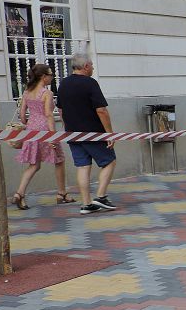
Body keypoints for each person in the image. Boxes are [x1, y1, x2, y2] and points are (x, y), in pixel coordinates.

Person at [56, 54, 117, 215]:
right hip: (93, 133)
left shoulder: (63, 84)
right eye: (92, 65)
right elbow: (101, 110)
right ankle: (101, 196)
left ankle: (86, 203)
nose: (93, 68)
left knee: (83, 166)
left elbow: (60, 110)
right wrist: (109, 134)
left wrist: (66, 127)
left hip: (72, 133)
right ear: (86, 67)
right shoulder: (90, 83)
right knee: (109, 161)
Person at [9, 64, 75, 209]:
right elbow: (49, 114)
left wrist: (29, 122)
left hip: (31, 129)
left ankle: (19, 194)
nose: (52, 77)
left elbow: (21, 114)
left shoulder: (27, 92)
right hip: (45, 129)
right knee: (59, 159)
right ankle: (61, 193)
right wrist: (52, 136)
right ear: (43, 77)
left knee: (34, 164)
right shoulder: (46, 93)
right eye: (50, 74)